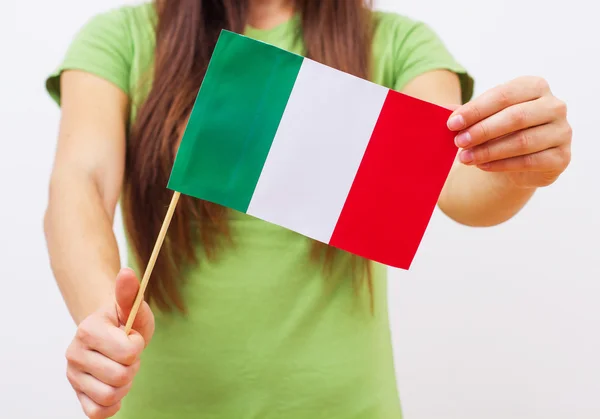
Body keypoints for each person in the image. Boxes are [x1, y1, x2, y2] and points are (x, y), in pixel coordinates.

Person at [43, 0, 572, 418]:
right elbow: (81, 183)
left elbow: (459, 183)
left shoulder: (397, 42)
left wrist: (522, 166)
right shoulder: (122, 38)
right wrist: (104, 324)